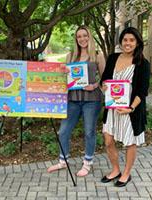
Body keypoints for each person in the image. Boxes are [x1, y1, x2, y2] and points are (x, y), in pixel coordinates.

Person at [47, 25, 105, 177]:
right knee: (63, 131)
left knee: (89, 132)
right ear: (76, 39)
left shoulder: (97, 55)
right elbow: (64, 79)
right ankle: (63, 161)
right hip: (72, 99)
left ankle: (87, 162)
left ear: (89, 37)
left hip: (91, 100)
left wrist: (94, 85)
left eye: (85, 35)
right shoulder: (70, 56)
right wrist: (63, 72)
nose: (82, 39)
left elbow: (105, 79)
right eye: (79, 37)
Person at [99, 27, 150, 187]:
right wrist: (104, 86)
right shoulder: (113, 57)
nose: (128, 43)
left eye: (131, 40)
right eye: (125, 40)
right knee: (108, 141)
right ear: (121, 42)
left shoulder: (142, 63)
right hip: (112, 109)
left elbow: (142, 91)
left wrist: (131, 108)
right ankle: (115, 170)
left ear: (137, 43)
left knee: (129, 143)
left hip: (129, 111)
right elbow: (105, 80)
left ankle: (126, 173)